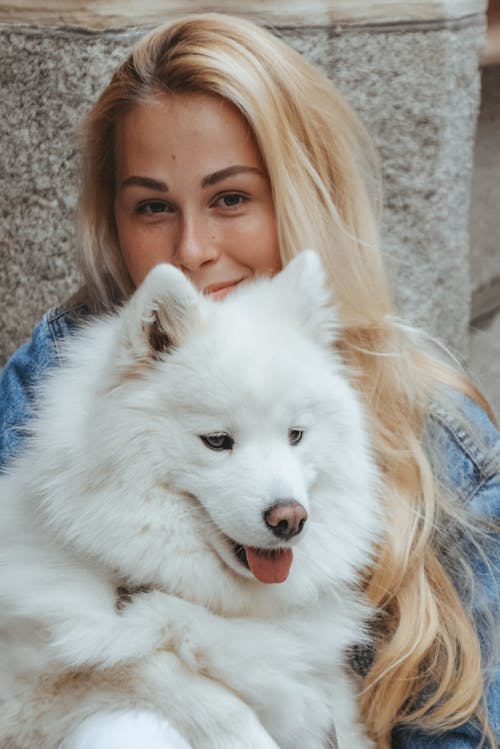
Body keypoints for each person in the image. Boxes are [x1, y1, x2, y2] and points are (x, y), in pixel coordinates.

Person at [0, 12, 499, 749]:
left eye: (230, 197)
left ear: (303, 194)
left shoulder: (442, 436)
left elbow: (459, 728)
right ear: (115, 219)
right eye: (153, 206)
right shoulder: (51, 378)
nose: (194, 249)